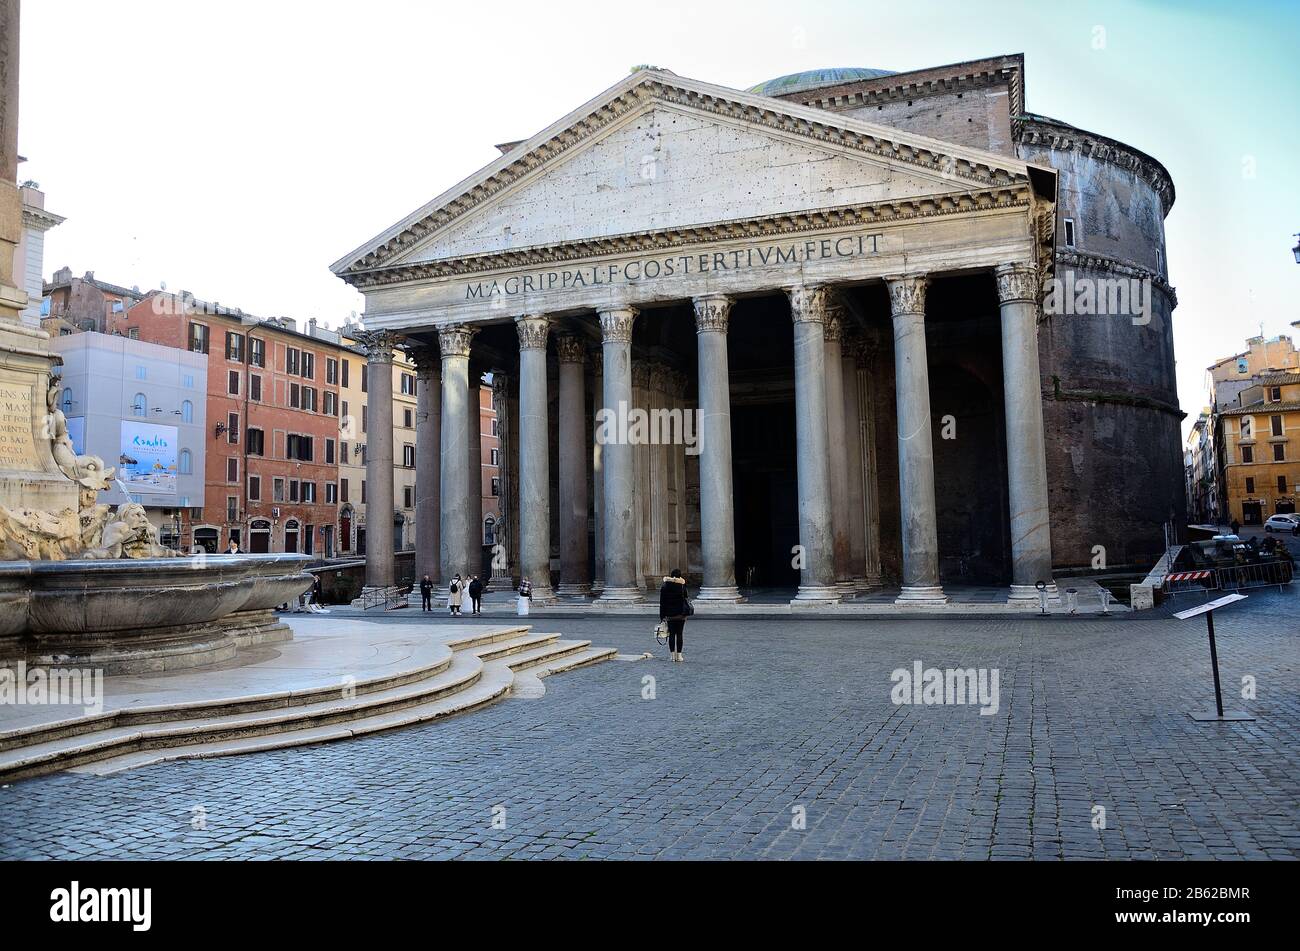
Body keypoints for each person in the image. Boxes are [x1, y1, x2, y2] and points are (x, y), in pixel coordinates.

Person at [658, 568, 692, 663]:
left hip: (669, 614)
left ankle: (672, 656)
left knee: (672, 634)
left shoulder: (665, 586)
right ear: (679, 576)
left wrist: (662, 616)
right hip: (681, 614)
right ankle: (679, 656)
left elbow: (662, 603)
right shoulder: (682, 586)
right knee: (680, 634)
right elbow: (686, 597)